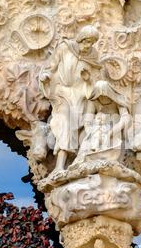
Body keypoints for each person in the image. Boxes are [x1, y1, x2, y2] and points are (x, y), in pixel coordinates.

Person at [39, 26, 102, 172]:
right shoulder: (64, 48)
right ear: (80, 38)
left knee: (84, 127)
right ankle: (60, 166)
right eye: (87, 42)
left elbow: (95, 81)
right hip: (62, 94)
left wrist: (88, 79)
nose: (88, 46)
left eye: (92, 43)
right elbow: (51, 66)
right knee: (65, 123)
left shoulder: (92, 56)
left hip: (81, 97)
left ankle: (79, 162)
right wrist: (46, 77)